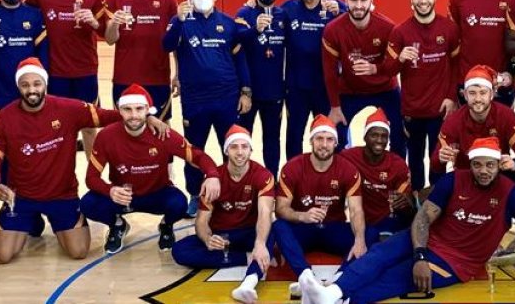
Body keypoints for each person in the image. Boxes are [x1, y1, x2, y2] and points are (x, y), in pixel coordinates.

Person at [299, 136, 515, 304]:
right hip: (428, 241)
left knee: (396, 277)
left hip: (457, 261)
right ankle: (331, 292)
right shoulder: (453, 180)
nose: (483, 171)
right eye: (478, 164)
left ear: (498, 165)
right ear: (470, 164)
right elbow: (423, 218)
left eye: (489, 165)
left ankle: (342, 301)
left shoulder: (512, 193)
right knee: (379, 254)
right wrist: (421, 255)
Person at [0, 59, 147, 264]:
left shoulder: (68, 109)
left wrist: (146, 117)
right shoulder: (5, 118)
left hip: (62, 196)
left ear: (45, 84)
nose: (31, 90)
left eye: (36, 84)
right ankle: (31, 220)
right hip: (22, 197)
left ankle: (46, 221)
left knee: (78, 252)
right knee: (2, 256)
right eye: (25, 85)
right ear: (18, 86)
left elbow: (109, 116)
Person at [82, 85, 219, 253]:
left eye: (139, 109)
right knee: (88, 204)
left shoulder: (163, 134)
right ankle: (117, 225)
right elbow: (91, 178)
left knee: (179, 204)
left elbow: (198, 156)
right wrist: (110, 190)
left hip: (157, 194)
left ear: (148, 110)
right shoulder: (106, 136)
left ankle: (166, 226)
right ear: (119, 110)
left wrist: (212, 175)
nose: (133, 115)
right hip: (123, 197)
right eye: (127, 109)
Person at [162, 0, 252, 216]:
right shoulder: (181, 21)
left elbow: (240, 60)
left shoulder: (228, 24)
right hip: (195, 99)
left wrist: (246, 92)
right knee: (194, 150)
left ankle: (232, 191)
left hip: (227, 98)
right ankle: (194, 193)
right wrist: (178, 21)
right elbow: (166, 45)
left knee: (232, 146)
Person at [428, 65, 515, 259]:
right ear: (464, 94)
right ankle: (449, 227)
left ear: (492, 93)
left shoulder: (505, 115)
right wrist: (440, 158)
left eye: (483, 92)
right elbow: (434, 165)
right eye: (472, 93)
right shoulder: (454, 121)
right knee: (438, 179)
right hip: (468, 178)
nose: (478, 98)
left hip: (498, 172)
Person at [171, 125, 277, 304]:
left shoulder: (263, 176)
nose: (240, 152)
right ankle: (245, 257)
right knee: (179, 251)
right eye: (234, 147)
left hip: (249, 232)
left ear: (251, 150)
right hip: (223, 234)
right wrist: (207, 239)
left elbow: (265, 213)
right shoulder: (214, 179)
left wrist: (259, 243)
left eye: (245, 147)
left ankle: (249, 279)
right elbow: (201, 221)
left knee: (274, 231)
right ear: (226, 150)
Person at [25, 0, 107, 153]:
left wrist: (94, 22)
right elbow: (20, 12)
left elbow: (105, 32)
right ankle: (58, 179)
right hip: (54, 71)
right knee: (56, 127)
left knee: (90, 125)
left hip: (85, 70)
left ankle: (94, 178)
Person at [273, 115, 368, 292]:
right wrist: (302, 216)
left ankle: (341, 277)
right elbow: (280, 208)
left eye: (329, 139)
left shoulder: (348, 170)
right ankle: (305, 276)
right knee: (278, 227)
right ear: (311, 141)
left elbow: (355, 210)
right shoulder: (292, 167)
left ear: (336, 143)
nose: (324, 144)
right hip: (304, 228)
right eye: (319, 139)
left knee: (367, 235)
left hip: (334, 227)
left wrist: (360, 240)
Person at [382, 0, 460, 190]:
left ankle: (437, 205)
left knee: (438, 161)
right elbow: (387, 71)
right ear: (411, 0)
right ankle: (416, 206)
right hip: (412, 110)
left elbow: (456, 66)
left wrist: (451, 97)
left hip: (440, 110)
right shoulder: (400, 32)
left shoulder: (449, 29)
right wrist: (400, 59)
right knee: (414, 161)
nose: (423, 0)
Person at [321, 0, 403, 155]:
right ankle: (340, 176)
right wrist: (335, 107)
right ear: (346, 1)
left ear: (371, 2)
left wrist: (375, 69)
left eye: (363, 0)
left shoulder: (388, 28)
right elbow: (330, 71)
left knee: (400, 131)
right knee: (337, 134)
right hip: (351, 90)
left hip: (385, 89)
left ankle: (399, 175)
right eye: (353, 0)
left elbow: (395, 65)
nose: (358, 5)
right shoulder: (333, 30)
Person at [103, 0, 178, 117]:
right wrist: (114, 23)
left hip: (158, 77)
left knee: (161, 128)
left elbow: (175, 40)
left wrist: (178, 74)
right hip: (125, 77)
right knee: (125, 127)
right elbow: (110, 39)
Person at [279, 0, 345, 159]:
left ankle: (333, 176)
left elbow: (357, 23)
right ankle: (292, 177)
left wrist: (341, 13)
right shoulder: (287, 9)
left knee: (329, 133)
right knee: (294, 136)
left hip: (327, 86)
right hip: (297, 86)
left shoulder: (334, 6)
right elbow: (268, 19)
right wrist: (252, 5)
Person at [449, 0, 515, 106]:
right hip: (467, 81)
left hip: (500, 81)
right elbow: (451, 43)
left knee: (500, 130)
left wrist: (510, 73)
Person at [236, 0, 287, 175]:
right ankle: (243, 179)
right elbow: (237, 43)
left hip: (274, 91)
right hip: (248, 91)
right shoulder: (244, 13)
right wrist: (254, 29)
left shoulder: (283, 14)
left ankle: (271, 179)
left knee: (272, 139)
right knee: (242, 138)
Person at [339, 108, 415, 245]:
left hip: (389, 221)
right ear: (365, 137)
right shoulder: (348, 157)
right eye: (374, 135)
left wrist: (406, 204)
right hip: (361, 222)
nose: (379, 140)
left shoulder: (398, 165)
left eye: (384, 136)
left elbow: (408, 207)